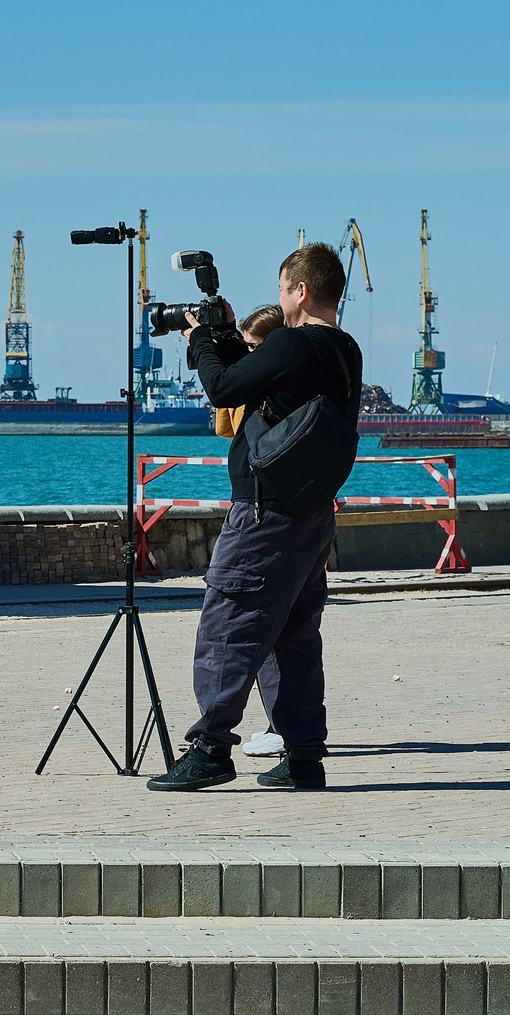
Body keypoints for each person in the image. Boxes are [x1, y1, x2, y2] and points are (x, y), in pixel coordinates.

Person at [151, 243, 362, 794]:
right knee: (294, 633)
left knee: (230, 619)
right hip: (312, 512)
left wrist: (200, 341)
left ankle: (210, 749)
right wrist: (225, 343)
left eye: (283, 290)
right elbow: (261, 380)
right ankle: (304, 756)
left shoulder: (293, 342)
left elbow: (224, 387)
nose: (281, 300)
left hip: (264, 511)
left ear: (302, 290)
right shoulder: (346, 350)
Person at [215, 305, 286, 759]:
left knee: (243, 623)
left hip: (264, 509)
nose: (251, 358)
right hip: (286, 506)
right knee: (282, 628)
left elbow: (227, 420)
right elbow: (225, 423)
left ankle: (217, 739)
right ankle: (287, 729)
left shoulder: (275, 386)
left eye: (255, 349)